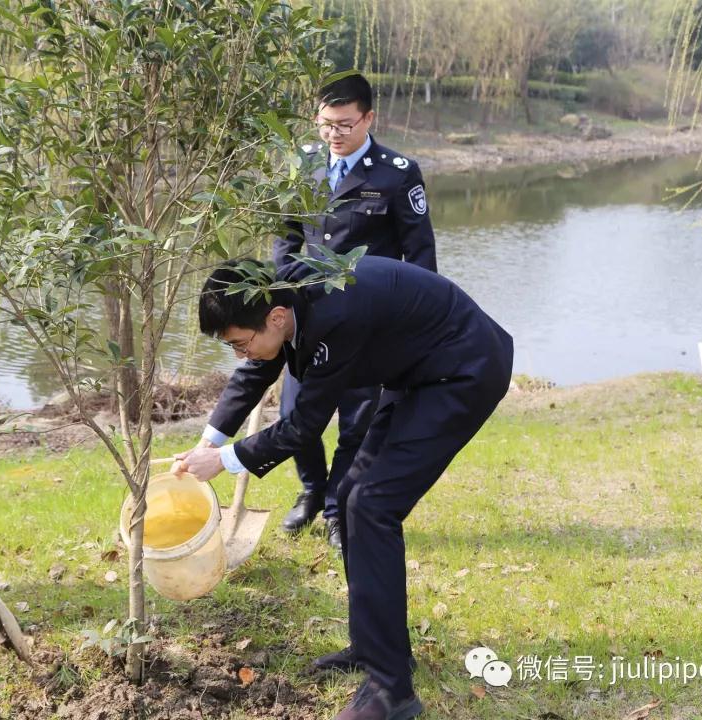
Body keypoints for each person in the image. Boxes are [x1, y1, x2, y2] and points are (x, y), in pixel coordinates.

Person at [174, 257, 513, 720]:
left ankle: (392, 691)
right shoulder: (278, 297)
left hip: (463, 370)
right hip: (418, 370)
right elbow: (257, 369)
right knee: (354, 495)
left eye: (240, 343)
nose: (240, 354)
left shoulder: (334, 316)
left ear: (275, 318)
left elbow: (304, 425)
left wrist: (227, 460)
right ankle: (375, 647)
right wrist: (206, 443)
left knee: (372, 507)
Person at [200, 73, 437, 550]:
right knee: (296, 415)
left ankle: (336, 510)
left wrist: (413, 331)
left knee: (358, 423)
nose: (334, 134)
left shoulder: (395, 172)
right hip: (304, 317)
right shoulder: (301, 165)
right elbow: (286, 238)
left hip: (370, 325)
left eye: (345, 124)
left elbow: (421, 258)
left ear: (368, 118)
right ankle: (312, 491)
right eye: (326, 124)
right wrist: (284, 296)